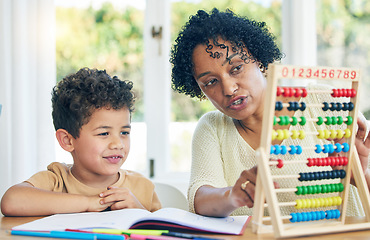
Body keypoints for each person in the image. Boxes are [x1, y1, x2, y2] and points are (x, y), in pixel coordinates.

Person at [170, 8, 370, 217]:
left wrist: (360, 174)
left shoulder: (324, 103)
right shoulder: (212, 128)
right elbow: (200, 198)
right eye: (211, 82)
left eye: (236, 68)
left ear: (259, 59)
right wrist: (233, 196)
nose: (229, 89)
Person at [1, 68, 161, 216]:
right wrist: (89, 203)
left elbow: (168, 231)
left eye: (124, 132)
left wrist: (139, 212)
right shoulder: (56, 180)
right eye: (104, 133)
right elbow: (11, 201)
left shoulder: (143, 188)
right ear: (67, 140)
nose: (118, 144)